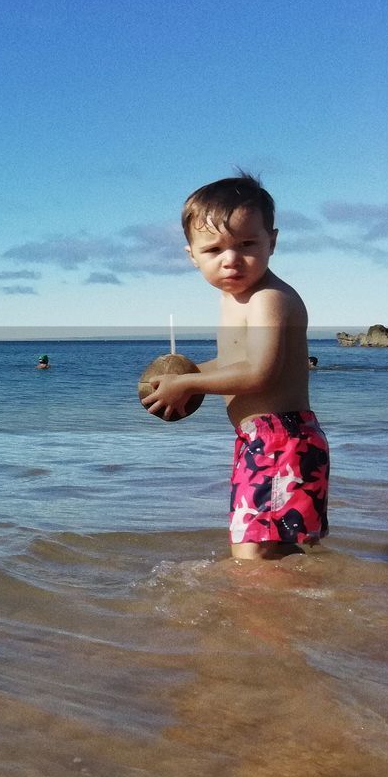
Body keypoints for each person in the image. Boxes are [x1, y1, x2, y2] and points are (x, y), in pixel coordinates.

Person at [141, 174, 329, 560]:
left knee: (253, 552)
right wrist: (183, 378)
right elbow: (233, 361)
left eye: (247, 244)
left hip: (280, 440)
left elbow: (260, 372)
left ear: (271, 242)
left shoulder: (268, 299)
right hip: (265, 441)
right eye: (214, 250)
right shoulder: (235, 299)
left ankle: (275, 614)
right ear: (192, 255)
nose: (231, 260)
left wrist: (191, 383)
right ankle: (310, 606)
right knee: (280, 546)